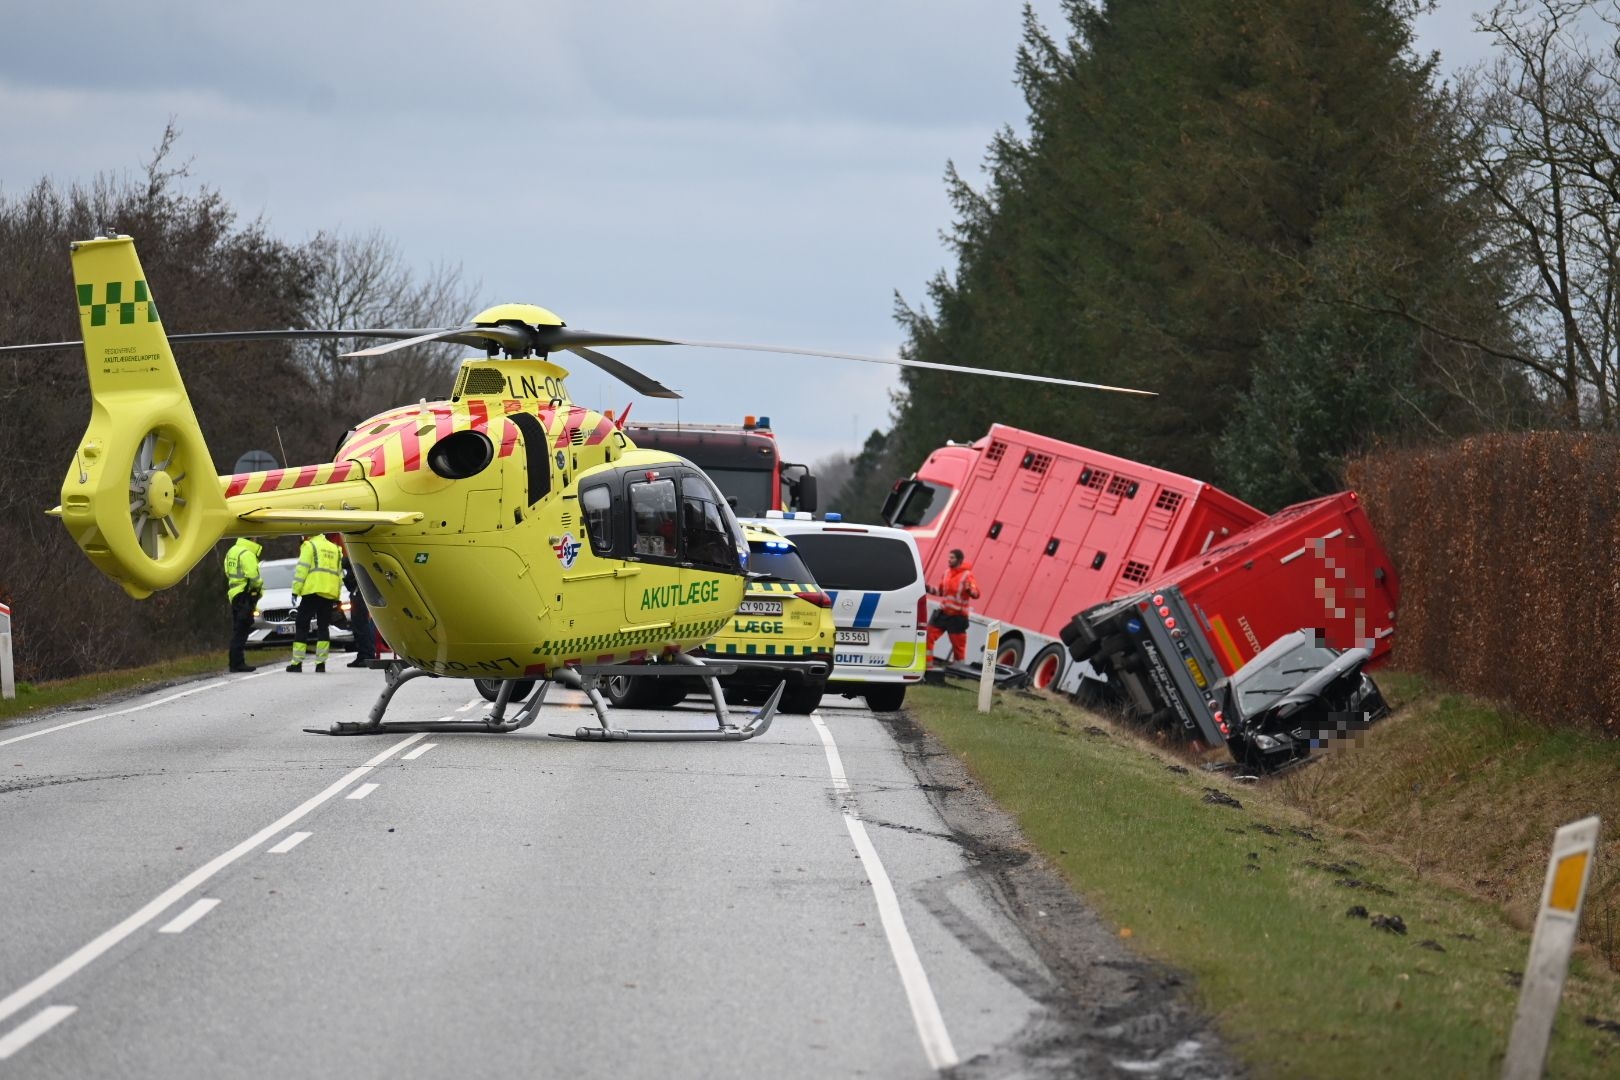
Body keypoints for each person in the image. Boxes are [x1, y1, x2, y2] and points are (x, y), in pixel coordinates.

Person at [286, 532, 343, 673]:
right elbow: (339, 574)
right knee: (323, 627)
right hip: (329, 593)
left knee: (301, 624)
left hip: (313, 591)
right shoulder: (335, 548)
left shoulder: (309, 545)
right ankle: (321, 663)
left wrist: (295, 590)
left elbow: (302, 569)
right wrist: (336, 595)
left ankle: (297, 663)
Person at [925, 548, 980, 666]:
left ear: (959, 560)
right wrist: (927, 588)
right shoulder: (946, 573)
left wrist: (971, 590)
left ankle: (958, 670)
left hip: (958, 617)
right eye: (949, 557)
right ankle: (926, 665)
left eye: (952, 558)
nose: (949, 560)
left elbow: (976, 593)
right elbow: (941, 592)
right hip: (943, 614)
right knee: (928, 636)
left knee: (958, 647)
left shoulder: (967, 575)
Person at [224, 535, 264, 673]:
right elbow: (254, 577)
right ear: (252, 539)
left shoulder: (232, 551)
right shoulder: (247, 554)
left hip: (234, 594)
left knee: (238, 628)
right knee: (241, 630)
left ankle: (236, 662)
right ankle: (237, 663)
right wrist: (257, 589)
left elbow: (227, 571)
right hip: (245, 595)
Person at [343, 554, 377, 667]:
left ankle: (365, 656)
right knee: (364, 627)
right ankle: (365, 655)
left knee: (361, 627)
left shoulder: (356, 562)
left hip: (359, 596)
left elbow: (350, 581)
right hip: (363, 595)